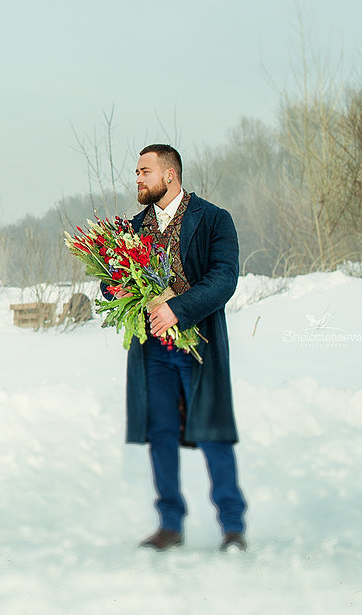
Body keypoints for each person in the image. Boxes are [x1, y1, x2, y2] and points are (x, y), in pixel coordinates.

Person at [115, 144, 248, 553]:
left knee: (212, 432)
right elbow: (110, 279)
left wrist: (178, 309)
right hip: (152, 352)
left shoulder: (213, 220)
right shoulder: (133, 228)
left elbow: (224, 278)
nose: (137, 178)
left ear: (169, 175)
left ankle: (232, 527)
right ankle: (170, 525)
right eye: (137, 172)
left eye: (144, 171)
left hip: (199, 346)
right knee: (161, 433)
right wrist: (120, 288)